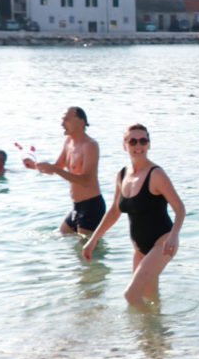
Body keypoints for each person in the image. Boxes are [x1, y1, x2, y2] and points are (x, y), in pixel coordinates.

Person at [83, 123, 185, 307]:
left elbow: (179, 208)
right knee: (149, 296)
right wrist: (93, 240)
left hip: (162, 243)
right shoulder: (122, 175)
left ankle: (151, 332)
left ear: (149, 144)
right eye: (133, 141)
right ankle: (153, 334)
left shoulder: (156, 174)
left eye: (143, 141)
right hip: (139, 248)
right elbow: (115, 210)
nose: (138, 146)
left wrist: (173, 236)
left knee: (131, 294)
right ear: (125, 145)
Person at [26, 107, 105, 236]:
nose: (62, 124)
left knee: (87, 252)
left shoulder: (90, 145)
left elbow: (86, 181)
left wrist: (55, 170)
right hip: (76, 206)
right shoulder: (68, 141)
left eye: (66, 120)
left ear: (80, 123)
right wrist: (34, 165)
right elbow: (58, 166)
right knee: (60, 235)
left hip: (91, 207)